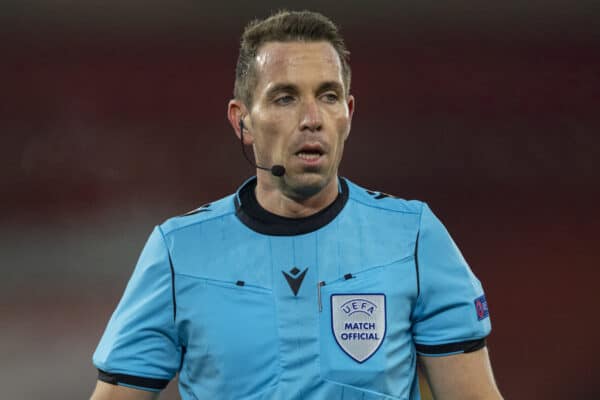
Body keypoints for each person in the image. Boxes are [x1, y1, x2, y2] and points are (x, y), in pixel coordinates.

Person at [90, 10, 503, 400]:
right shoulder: (178, 252)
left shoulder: (414, 239)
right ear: (242, 121)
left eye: (327, 96)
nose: (312, 118)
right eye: (285, 98)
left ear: (348, 113)